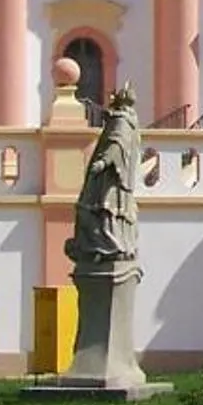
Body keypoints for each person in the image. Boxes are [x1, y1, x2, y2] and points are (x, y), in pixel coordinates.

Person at [70, 85, 145, 270]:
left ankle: (109, 245)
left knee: (102, 209)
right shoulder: (129, 121)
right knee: (107, 210)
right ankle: (111, 244)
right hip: (115, 178)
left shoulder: (121, 121)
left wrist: (103, 163)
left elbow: (116, 144)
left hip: (110, 178)